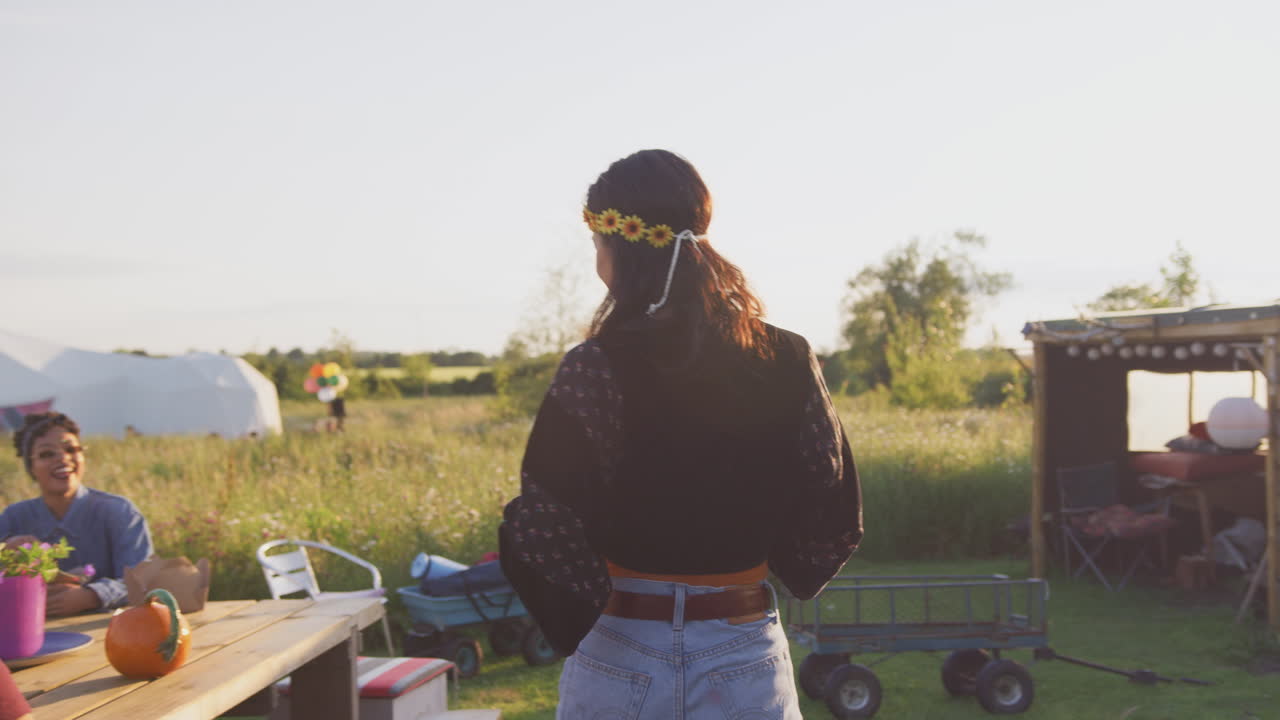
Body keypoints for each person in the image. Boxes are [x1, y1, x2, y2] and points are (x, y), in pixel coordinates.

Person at [499, 149, 863, 718]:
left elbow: (543, 517)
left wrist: (581, 604)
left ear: (623, 248)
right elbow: (828, 485)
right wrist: (789, 562)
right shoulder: (788, 357)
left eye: (598, 245)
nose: (597, 263)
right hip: (742, 644)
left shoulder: (595, 366)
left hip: (620, 644)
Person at [1, 412, 155, 616]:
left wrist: (91, 596)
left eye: (71, 449)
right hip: (30, 636)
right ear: (31, 467)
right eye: (47, 454)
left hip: (110, 634)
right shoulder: (14, 517)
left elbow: (145, 582)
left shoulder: (120, 512)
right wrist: (4, 551)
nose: (63, 458)